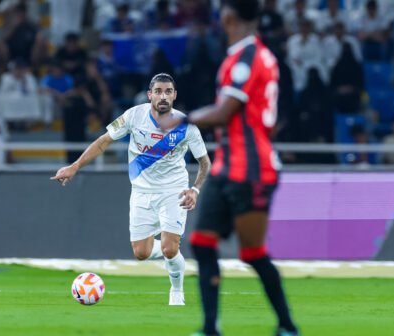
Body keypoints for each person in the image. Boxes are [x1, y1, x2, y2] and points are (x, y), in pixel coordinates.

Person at [159, 1, 299, 335]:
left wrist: (182, 119)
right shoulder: (248, 55)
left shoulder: (248, 57)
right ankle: (210, 328)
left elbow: (225, 112)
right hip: (227, 164)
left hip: (251, 169)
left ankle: (287, 326)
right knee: (203, 243)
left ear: (229, 16)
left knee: (252, 253)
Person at [50, 73, 211, 306]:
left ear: (174, 95)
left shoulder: (186, 125)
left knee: (168, 248)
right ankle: (171, 253)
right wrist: (75, 166)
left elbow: (205, 163)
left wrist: (194, 190)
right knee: (141, 253)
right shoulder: (134, 116)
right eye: (158, 91)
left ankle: (176, 290)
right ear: (150, 95)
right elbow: (104, 141)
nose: (163, 96)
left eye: (168, 91)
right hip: (141, 192)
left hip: (173, 191)